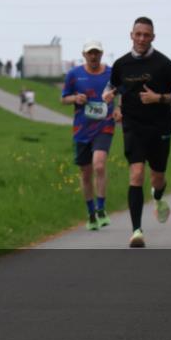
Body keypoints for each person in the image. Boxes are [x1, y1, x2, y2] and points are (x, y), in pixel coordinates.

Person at [102, 17, 171, 248]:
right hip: (133, 126)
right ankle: (136, 231)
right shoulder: (121, 64)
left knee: (157, 178)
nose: (141, 39)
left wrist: (158, 98)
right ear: (131, 35)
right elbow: (113, 87)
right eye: (138, 34)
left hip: (159, 127)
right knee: (137, 174)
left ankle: (158, 196)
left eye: (146, 35)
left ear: (153, 37)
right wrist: (108, 96)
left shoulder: (164, 64)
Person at [60, 41, 115, 231]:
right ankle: (91, 213)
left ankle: (101, 209)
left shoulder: (111, 73)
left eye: (97, 53)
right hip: (82, 129)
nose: (93, 56)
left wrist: (120, 109)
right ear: (84, 54)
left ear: (102, 54)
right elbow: (63, 98)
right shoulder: (74, 75)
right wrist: (75, 98)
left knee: (99, 164)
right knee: (85, 173)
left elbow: (121, 93)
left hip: (104, 126)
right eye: (90, 53)